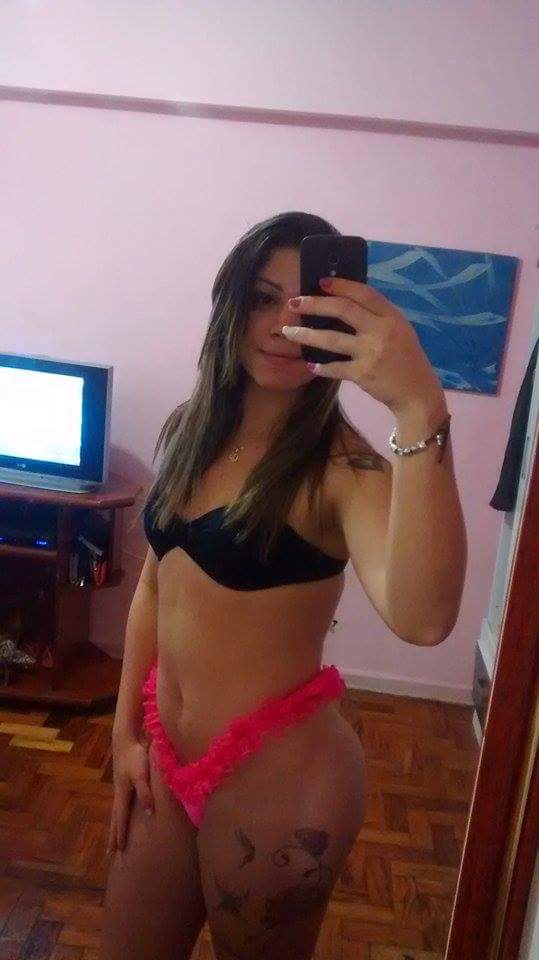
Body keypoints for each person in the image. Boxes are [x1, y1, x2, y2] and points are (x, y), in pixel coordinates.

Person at [99, 211, 465, 960]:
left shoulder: (345, 472)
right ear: (230, 303)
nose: (281, 326)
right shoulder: (190, 430)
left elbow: (424, 619)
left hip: (282, 783)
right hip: (165, 756)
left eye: (309, 305)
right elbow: (156, 587)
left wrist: (418, 405)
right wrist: (124, 728)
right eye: (263, 299)